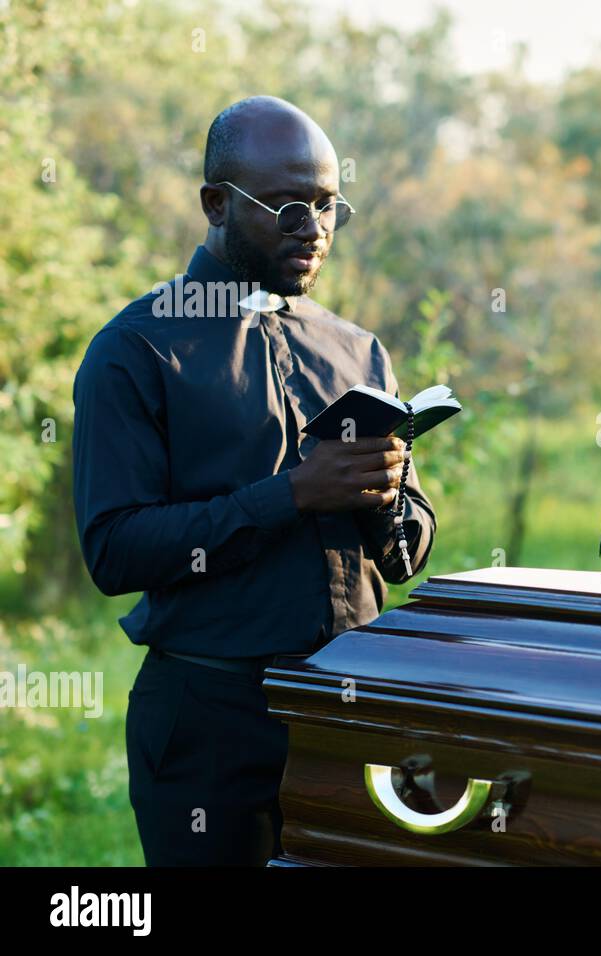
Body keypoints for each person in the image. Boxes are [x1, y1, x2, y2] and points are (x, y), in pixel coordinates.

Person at [71, 96, 437, 866]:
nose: (314, 229)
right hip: (210, 723)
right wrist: (295, 494)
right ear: (216, 203)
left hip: (350, 715)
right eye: (289, 207)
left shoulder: (357, 350)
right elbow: (114, 550)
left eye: (330, 206)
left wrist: (387, 494)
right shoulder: (136, 349)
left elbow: (404, 555)